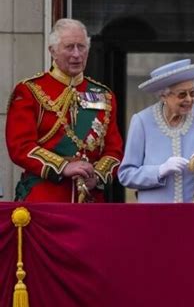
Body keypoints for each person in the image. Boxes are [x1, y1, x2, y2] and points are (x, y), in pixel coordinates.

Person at [6, 18, 124, 202]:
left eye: (81, 47)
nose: (77, 54)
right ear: (52, 51)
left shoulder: (104, 95)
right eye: (69, 47)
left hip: (90, 202)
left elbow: (114, 151)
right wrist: (63, 167)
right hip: (45, 199)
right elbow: (20, 147)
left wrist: (97, 176)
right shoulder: (30, 91)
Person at [118, 59, 194, 202]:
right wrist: (160, 170)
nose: (189, 99)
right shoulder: (142, 121)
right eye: (182, 94)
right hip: (156, 214)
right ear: (164, 96)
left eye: (193, 93)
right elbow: (126, 175)